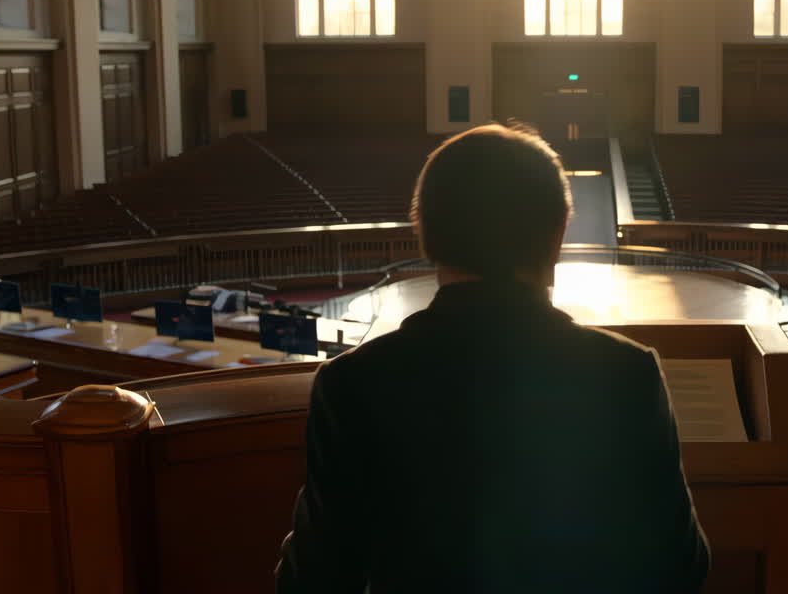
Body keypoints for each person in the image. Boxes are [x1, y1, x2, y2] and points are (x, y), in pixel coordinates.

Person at [276, 123, 710, 593]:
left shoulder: (352, 383)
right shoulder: (625, 374)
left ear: (426, 233)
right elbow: (679, 566)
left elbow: (314, 578)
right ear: (557, 233)